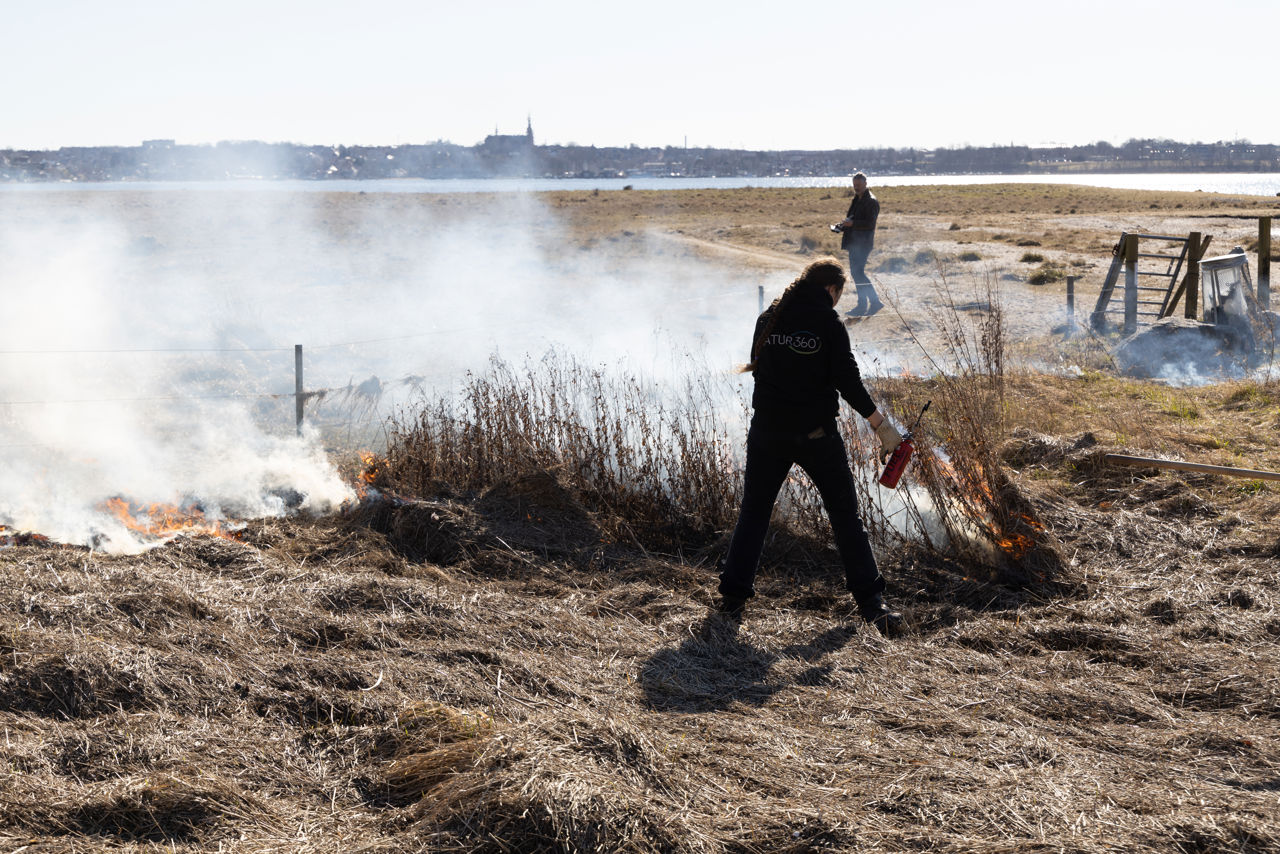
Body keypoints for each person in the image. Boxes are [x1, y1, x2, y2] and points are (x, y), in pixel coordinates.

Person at [717, 257, 906, 636]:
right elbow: (848, 382)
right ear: (832, 290)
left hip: (767, 432)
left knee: (754, 513)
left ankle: (732, 601)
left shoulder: (769, 317)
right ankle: (873, 606)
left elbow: (758, 364)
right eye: (839, 295)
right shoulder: (828, 323)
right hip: (816, 436)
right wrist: (881, 427)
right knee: (845, 517)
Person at [838, 171, 882, 317]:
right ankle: (867, 304)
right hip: (854, 242)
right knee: (857, 273)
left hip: (863, 243)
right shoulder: (857, 199)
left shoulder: (871, 201)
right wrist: (842, 225)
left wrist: (852, 224)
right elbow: (852, 218)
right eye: (854, 185)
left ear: (865, 184)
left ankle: (870, 303)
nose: (856, 187)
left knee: (858, 273)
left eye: (858, 185)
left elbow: (870, 224)